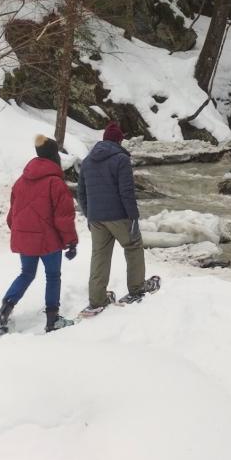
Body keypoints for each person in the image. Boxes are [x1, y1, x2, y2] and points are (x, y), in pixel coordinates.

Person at [0, 135, 78, 334]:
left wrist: (23, 232)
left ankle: (3, 311)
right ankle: (52, 320)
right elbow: (63, 218)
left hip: (26, 238)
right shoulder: (56, 183)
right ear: (54, 157)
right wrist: (71, 242)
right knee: (53, 276)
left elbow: (12, 216)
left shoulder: (20, 182)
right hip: (49, 241)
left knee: (26, 274)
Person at [75, 122, 157, 316]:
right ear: (119, 140)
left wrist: (89, 215)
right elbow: (126, 192)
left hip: (96, 218)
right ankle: (137, 289)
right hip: (118, 216)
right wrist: (134, 218)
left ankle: (97, 300)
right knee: (133, 246)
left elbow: (81, 193)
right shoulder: (121, 159)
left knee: (99, 256)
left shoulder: (87, 161)